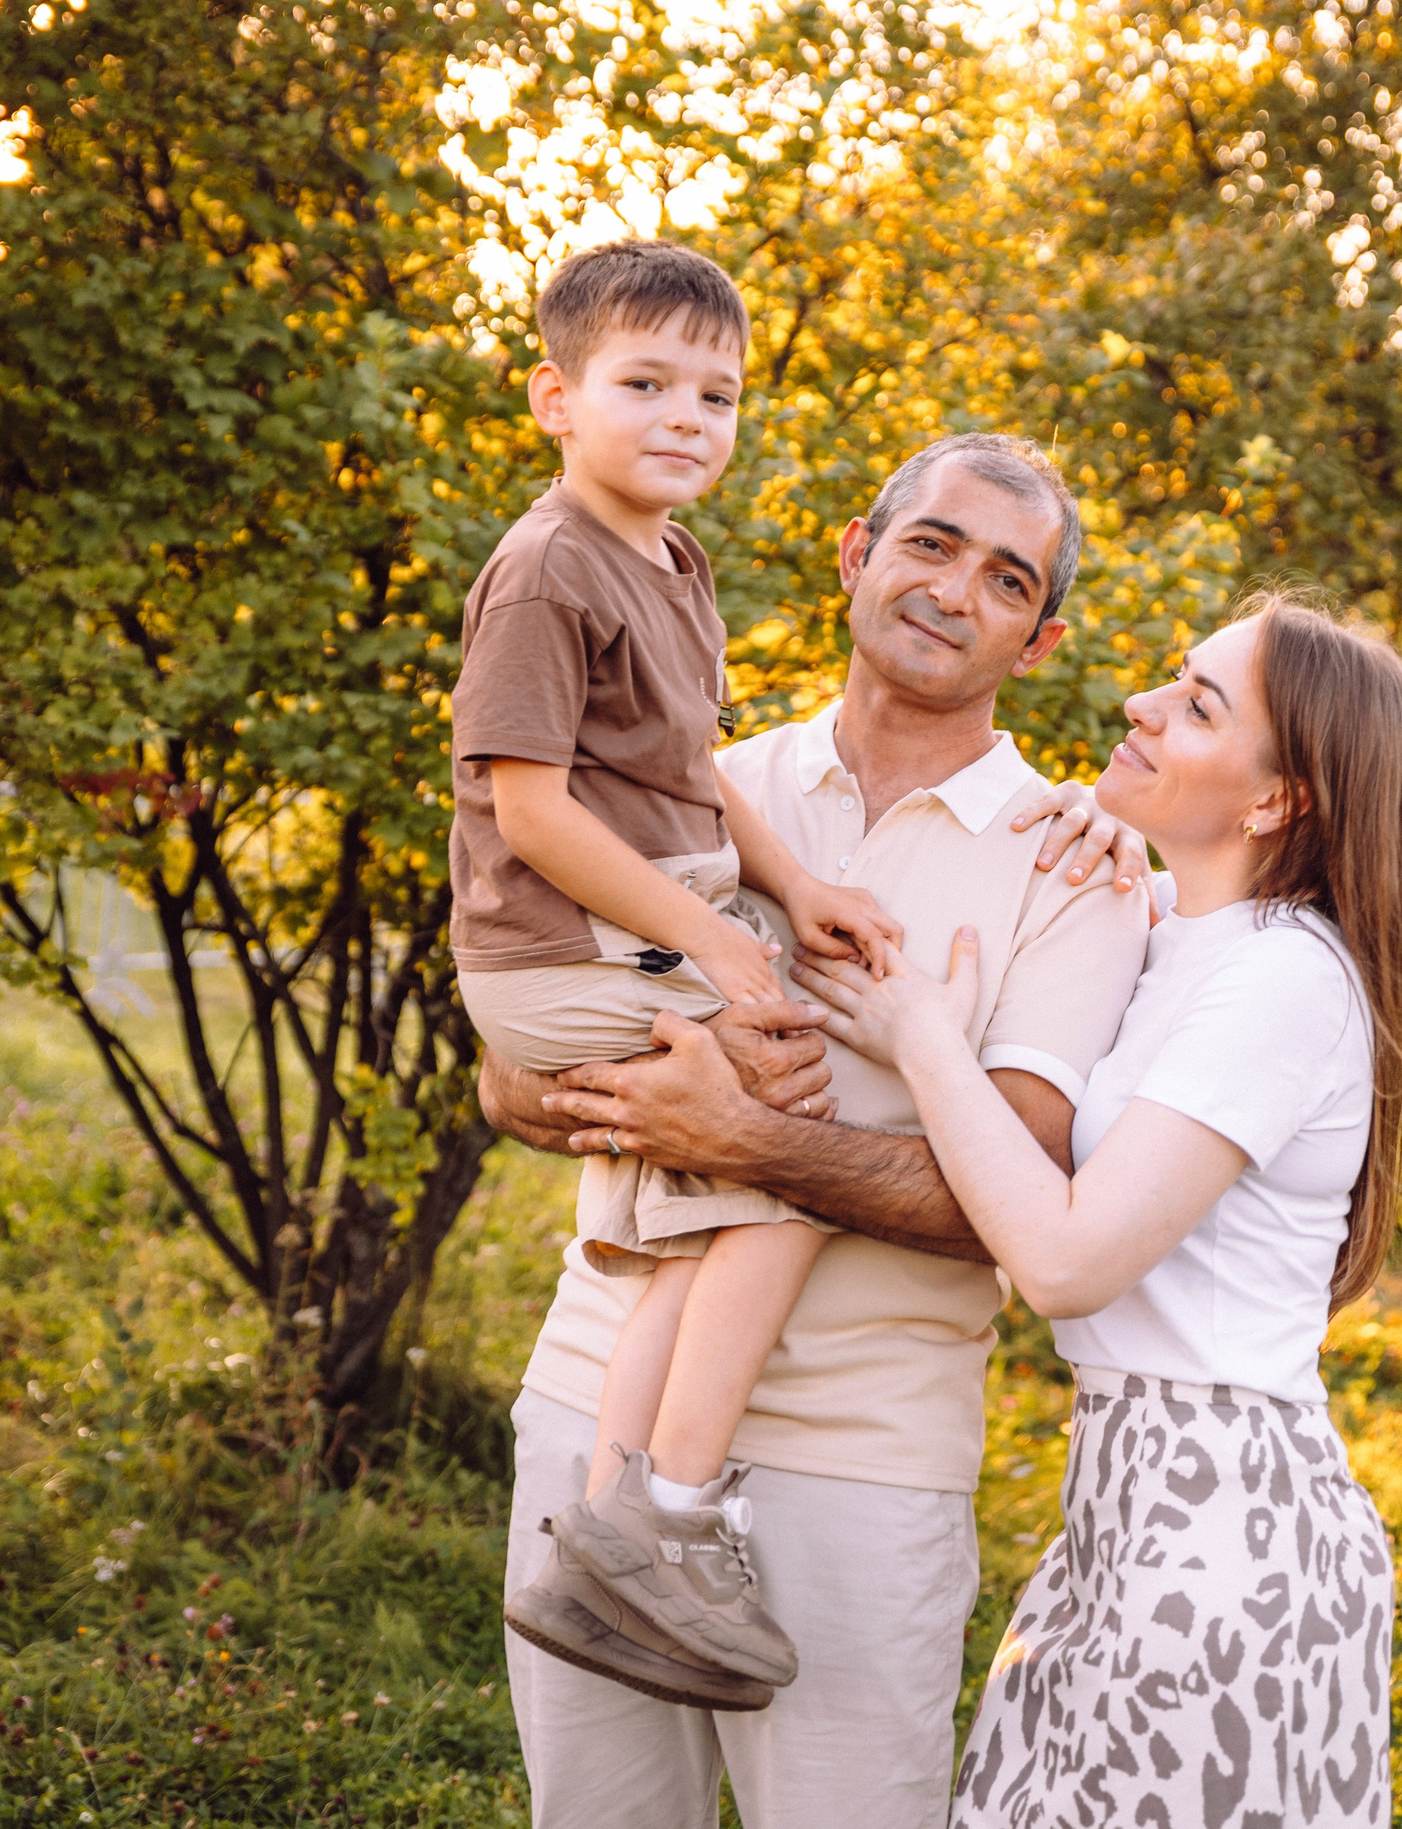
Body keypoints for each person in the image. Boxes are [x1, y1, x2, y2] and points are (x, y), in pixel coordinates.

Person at [480, 433, 1153, 1827]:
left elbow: (1016, 1196)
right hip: (593, 1404)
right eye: (931, 544)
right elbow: (503, 1080)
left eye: (1007, 579)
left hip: (865, 1461)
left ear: (1040, 641)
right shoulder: (699, 781)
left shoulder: (1071, 865)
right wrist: (630, 1097)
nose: (956, 590)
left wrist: (748, 1140)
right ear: (858, 551)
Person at [792, 591, 1402, 1828]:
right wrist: (1114, 842)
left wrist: (926, 1034)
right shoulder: (1194, 936)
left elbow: (1070, 1258)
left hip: (1222, 1535)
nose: (1139, 703)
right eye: (1171, 677)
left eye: (1196, 705)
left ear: (1273, 801)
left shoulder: (1281, 981)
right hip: (1132, 1504)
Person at [449, 239, 911, 1702]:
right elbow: (529, 810)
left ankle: (609, 1522)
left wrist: (791, 882)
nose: (684, 419)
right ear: (554, 399)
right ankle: (670, 1509)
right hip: (556, 945)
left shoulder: (673, 558)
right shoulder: (542, 570)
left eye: (716, 394)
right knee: (785, 1106)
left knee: (712, 1187)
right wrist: (718, 940)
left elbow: (687, 768)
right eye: (644, 384)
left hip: (632, 926)